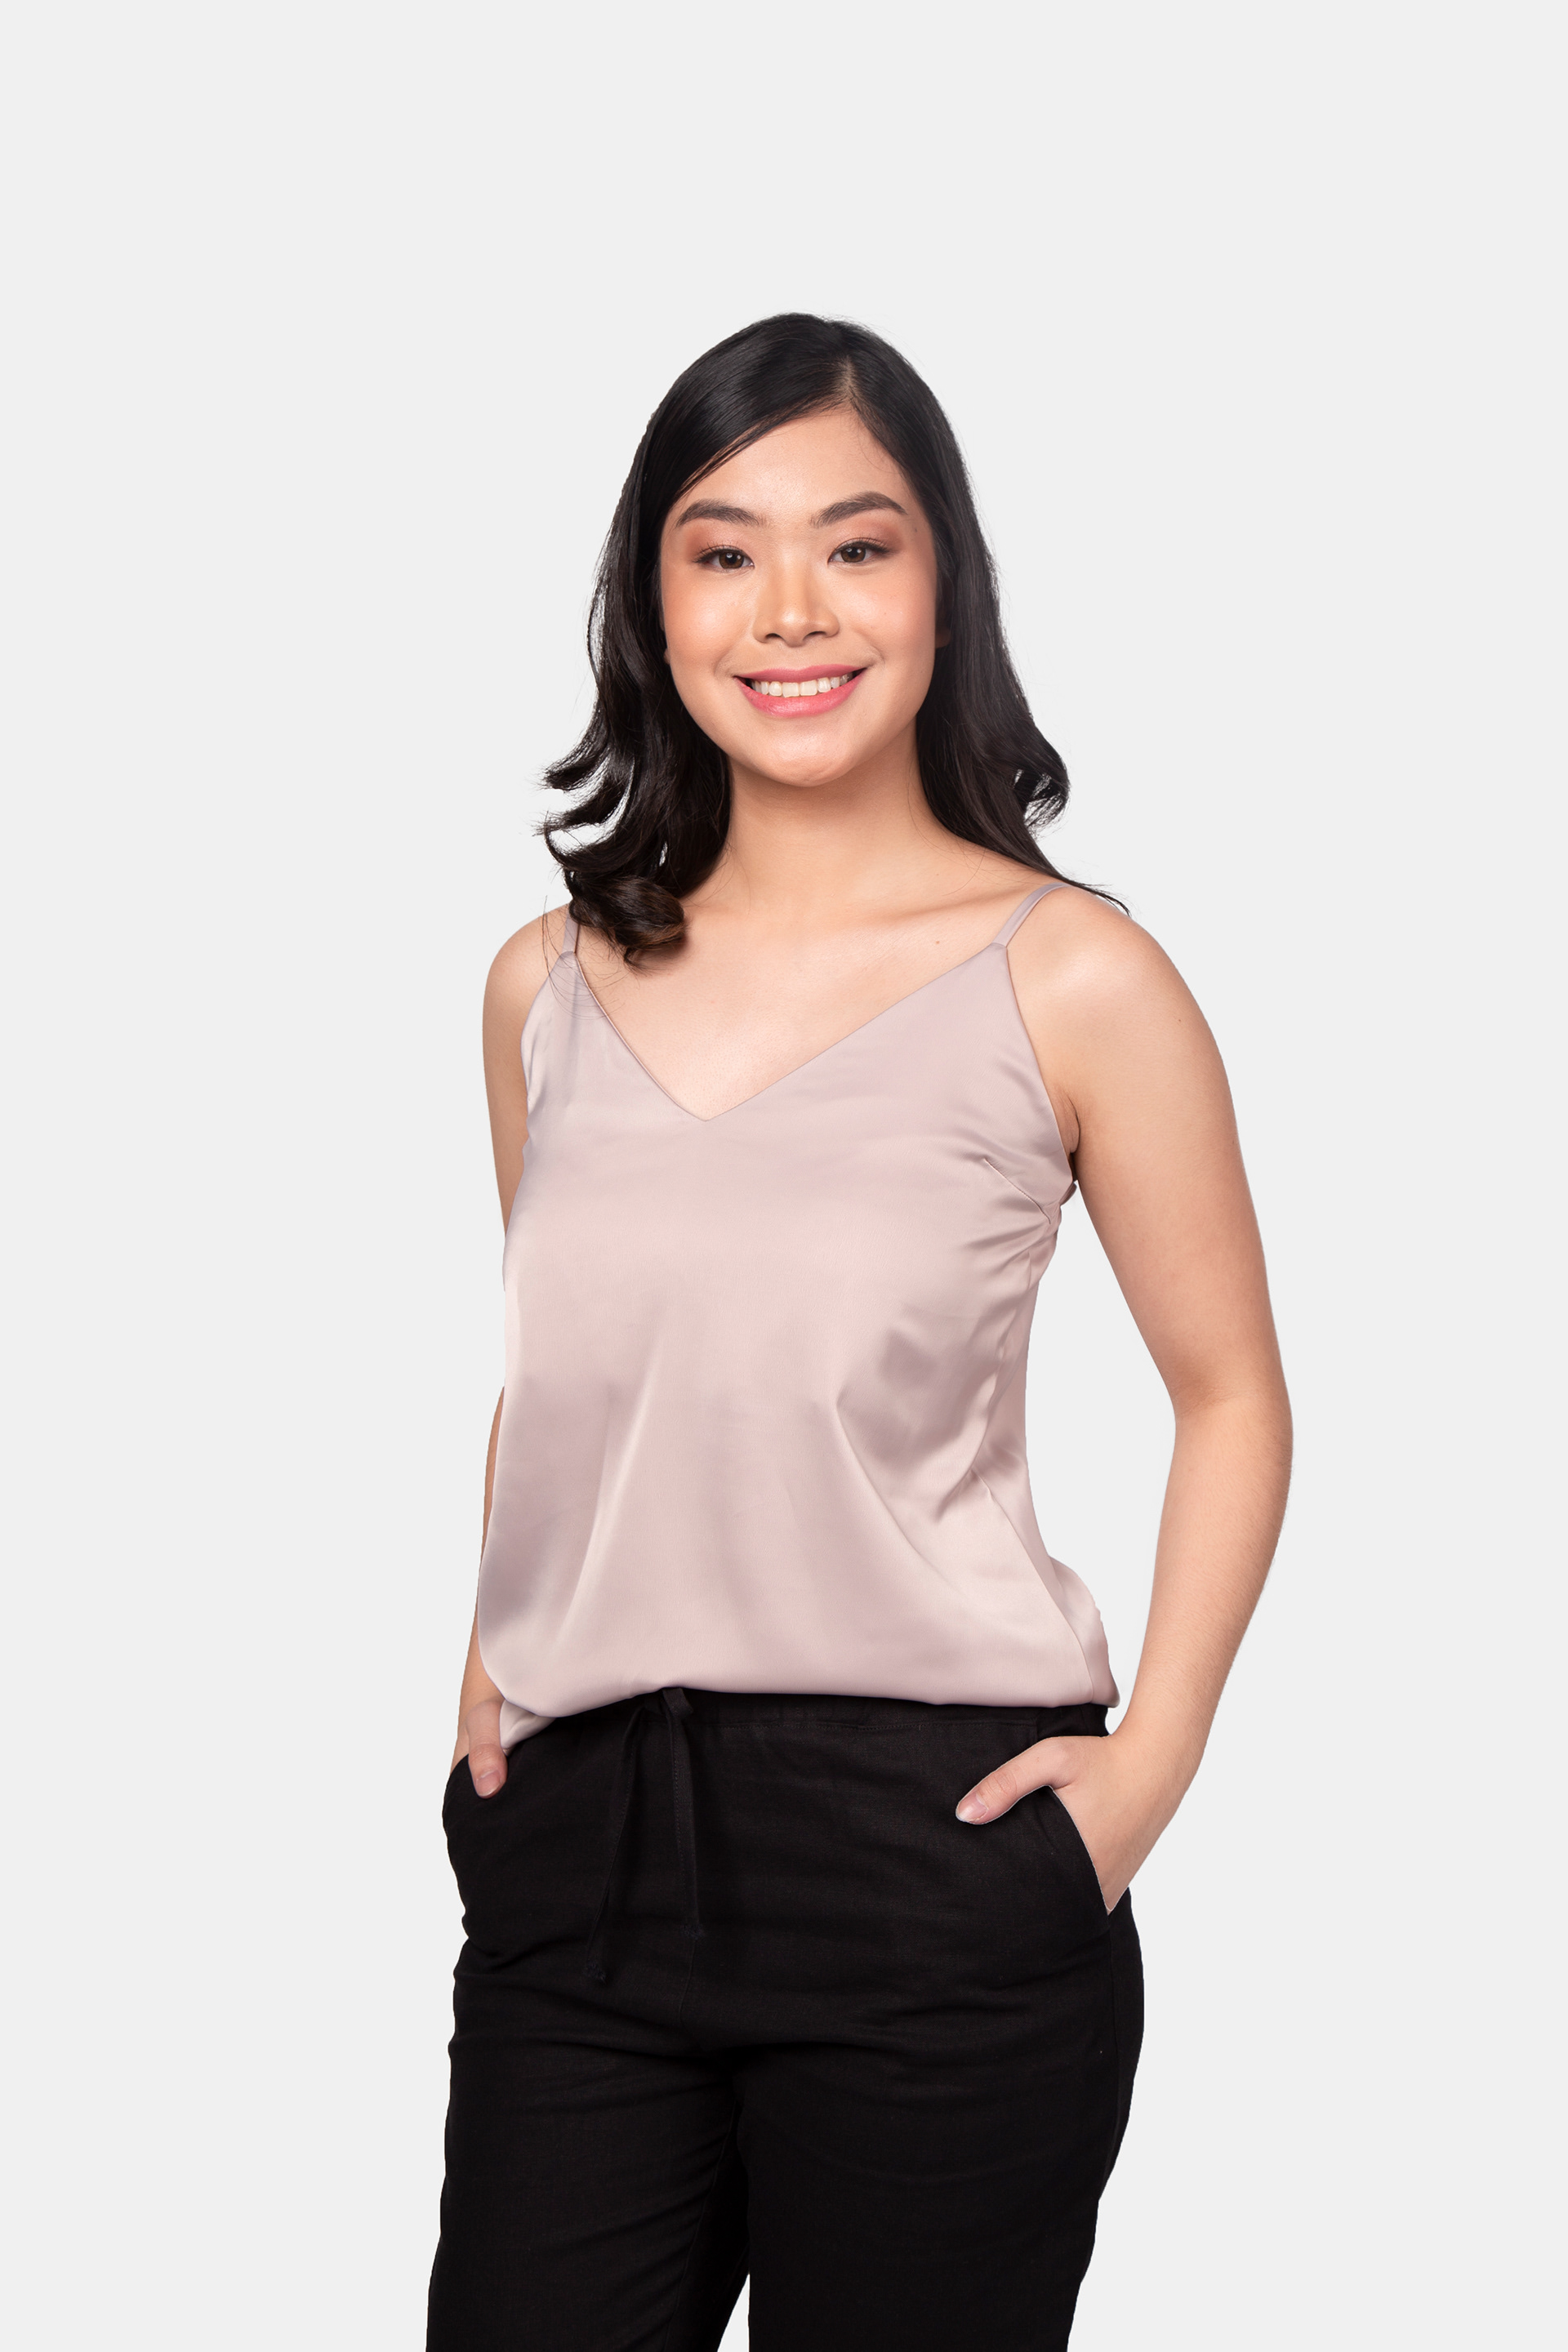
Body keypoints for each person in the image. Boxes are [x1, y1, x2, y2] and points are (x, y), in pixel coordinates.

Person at [426, 314, 1291, 2352]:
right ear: (653, 605)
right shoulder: (546, 983)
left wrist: (1149, 1769)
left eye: (858, 545)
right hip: (578, 1855)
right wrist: (485, 1674)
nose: (791, 609)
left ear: (943, 586)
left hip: (932, 1857)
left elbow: (1232, 1394)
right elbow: (568, 1375)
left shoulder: (1073, 977)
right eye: (724, 552)